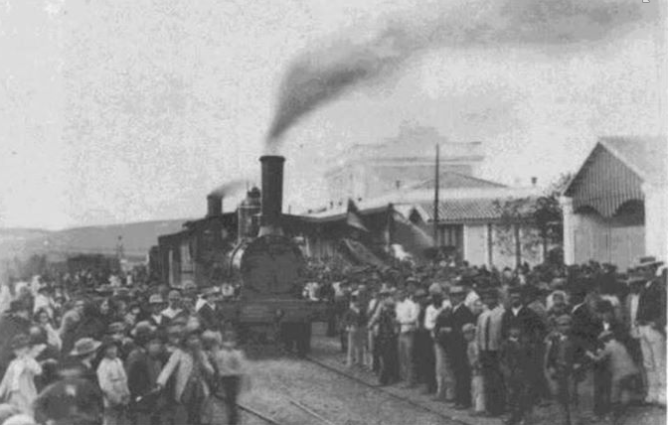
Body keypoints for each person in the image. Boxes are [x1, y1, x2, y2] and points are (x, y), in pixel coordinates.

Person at [156, 329, 214, 425]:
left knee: (198, 412)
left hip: (199, 388)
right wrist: (161, 383)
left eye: (196, 339)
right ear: (185, 341)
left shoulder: (201, 353)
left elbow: (211, 371)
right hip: (186, 388)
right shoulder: (179, 353)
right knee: (185, 412)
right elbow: (168, 368)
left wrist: (201, 361)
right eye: (191, 339)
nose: (194, 341)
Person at [585, 330, 639, 422]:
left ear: (605, 340)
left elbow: (598, 360)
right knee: (626, 390)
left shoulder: (609, 347)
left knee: (615, 395)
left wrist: (590, 354)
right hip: (631, 371)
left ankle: (615, 416)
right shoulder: (620, 344)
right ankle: (624, 411)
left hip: (619, 373)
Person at [635, 260, 666, 406]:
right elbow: (640, 307)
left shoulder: (660, 287)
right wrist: (637, 320)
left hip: (654, 328)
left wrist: (658, 322)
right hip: (643, 327)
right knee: (648, 363)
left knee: (659, 362)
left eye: (646, 269)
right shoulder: (645, 287)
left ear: (654, 270)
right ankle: (652, 394)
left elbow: (665, 308)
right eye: (642, 269)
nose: (644, 272)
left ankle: (663, 395)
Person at [545, 315, 584, 425]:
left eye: (568, 324)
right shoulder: (555, 340)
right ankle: (563, 421)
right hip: (558, 372)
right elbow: (550, 357)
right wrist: (551, 367)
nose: (566, 327)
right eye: (563, 325)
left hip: (571, 372)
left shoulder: (576, 340)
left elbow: (582, 355)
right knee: (560, 397)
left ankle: (574, 421)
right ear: (557, 327)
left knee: (572, 397)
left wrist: (579, 363)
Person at [205, 328, 249, 425]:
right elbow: (217, 366)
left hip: (233, 378)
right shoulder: (220, 353)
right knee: (227, 400)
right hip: (224, 378)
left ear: (235, 342)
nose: (229, 344)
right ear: (223, 342)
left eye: (231, 341)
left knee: (232, 400)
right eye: (227, 341)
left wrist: (240, 378)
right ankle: (230, 417)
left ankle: (233, 420)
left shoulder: (237, 354)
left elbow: (241, 369)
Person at [476, 288, 505, 417]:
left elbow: (503, 333)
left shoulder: (502, 313)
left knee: (497, 380)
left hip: (496, 350)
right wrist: (479, 350)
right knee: (487, 380)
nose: (488, 301)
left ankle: (498, 408)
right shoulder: (483, 315)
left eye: (491, 298)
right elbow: (478, 334)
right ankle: (489, 407)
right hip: (485, 349)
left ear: (496, 299)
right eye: (486, 298)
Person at [126, 330, 165, 425]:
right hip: (142, 399)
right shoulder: (137, 357)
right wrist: (141, 394)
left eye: (158, 343)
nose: (157, 346)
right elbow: (132, 380)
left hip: (153, 398)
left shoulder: (154, 358)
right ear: (146, 344)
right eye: (153, 343)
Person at [0, 334, 43, 416]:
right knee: (13, 415)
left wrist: (27, 359)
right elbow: (5, 381)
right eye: (16, 350)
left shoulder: (29, 360)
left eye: (21, 349)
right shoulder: (13, 363)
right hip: (12, 394)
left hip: (25, 394)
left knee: (26, 414)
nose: (18, 352)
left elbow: (38, 371)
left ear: (26, 348)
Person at [448, 285, 475, 410]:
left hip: (461, 347)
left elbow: (466, 330)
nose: (452, 298)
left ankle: (464, 400)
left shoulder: (465, 311)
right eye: (451, 295)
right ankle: (459, 399)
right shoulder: (453, 310)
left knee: (463, 374)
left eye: (455, 296)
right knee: (457, 373)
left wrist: (451, 331)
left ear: (461, 297)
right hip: (454, 347)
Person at [500, 325, 529, 425]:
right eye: (513, 329)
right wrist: (505, 370)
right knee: (511, 395)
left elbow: (527, 357)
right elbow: (501, 358)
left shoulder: (524, 342)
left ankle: (522, 417)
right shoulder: (505, 343)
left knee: (522, 396)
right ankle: (512, 416)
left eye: (517, 329)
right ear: (509, 330)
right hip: (509, 373)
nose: (515, 331)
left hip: (521, 372)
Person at [97, 337, 130, 425]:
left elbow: (124, 380)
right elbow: (105, 387)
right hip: (111, 403)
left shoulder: (118, 362)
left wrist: (126, 395)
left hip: (123, 400)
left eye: (114, 348)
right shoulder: (103, 366)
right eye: (109, 349)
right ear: (104, 351)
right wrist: (117, 400)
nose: (112, 351)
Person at [395, 288, 419, 387]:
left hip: (409, 332)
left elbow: (414, 318)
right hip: (400, 332)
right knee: (402, 357)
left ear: (405, 294)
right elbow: (397, 316)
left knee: (409, 357)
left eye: (401, 293)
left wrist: (402, 321)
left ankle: (411, 380)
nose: (399, 295)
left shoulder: (411, 304)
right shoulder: (398, 304)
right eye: (398, 294)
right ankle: (404, 379)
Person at [463, 323, 485, 416]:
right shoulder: (470, 343)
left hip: (478, 369)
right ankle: (476, 406)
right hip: (474, 369)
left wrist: (475, 365)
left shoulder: (475, 343)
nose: (466, 336)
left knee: (479, 388)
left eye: (468, 333)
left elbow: (477, 356)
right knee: (475, 387)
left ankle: (480, 408)